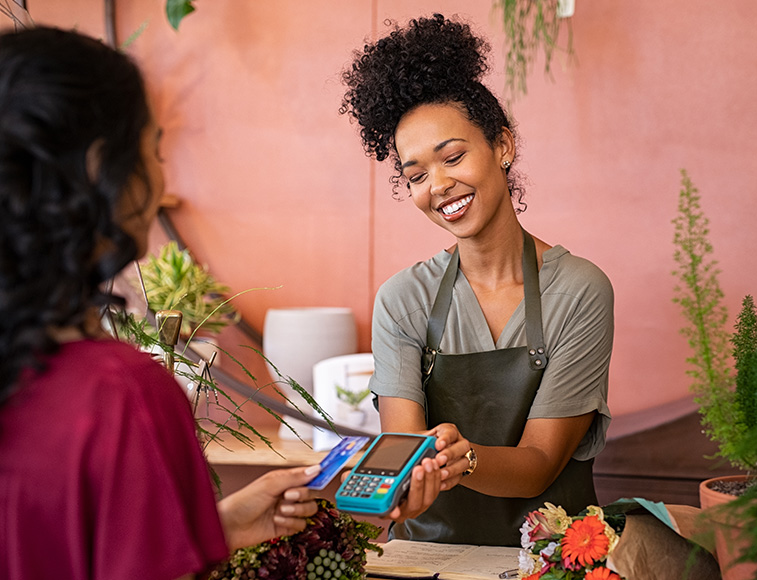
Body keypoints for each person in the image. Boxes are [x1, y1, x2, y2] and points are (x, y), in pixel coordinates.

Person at [0, 27, 323, 579]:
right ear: (104, 171)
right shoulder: (122, 396)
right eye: (154, 150)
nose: (160, 174)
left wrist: (210, 529)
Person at [340, 14, 615, 546]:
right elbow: (401, 450)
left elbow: (539, 462)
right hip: (431, 557)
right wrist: (399, 481)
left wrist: (459, 457)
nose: (439, 186)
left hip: (555, 557)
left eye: (454, 156)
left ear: (503, 147)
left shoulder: (580, 290)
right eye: (416, 175)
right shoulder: (403, 300)